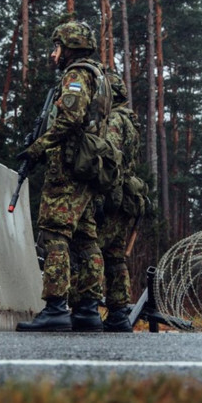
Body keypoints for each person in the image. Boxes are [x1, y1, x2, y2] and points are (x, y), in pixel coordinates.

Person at [16, 21, 111, 332]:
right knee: (86, 239)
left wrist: (37, 148)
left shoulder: (76, 75)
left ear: (70, 47)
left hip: (68, 169)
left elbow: (69, 118)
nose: (53, 53)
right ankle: (87, 310)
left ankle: (56, 308)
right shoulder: (99, 76)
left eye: (57, 47)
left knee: (55, 233)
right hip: (86, 169)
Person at [96, 73, 144, 332]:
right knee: (115, 257)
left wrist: (99, 193)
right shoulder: (130, 121)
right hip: (125, 196)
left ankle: (88, 307)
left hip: (112, 195)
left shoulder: (114, 120)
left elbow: (109, 157)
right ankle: (118, 312)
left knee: (92, 250)